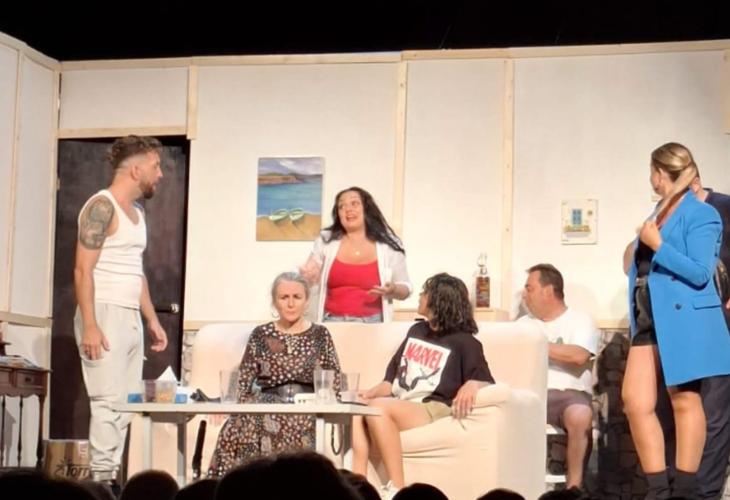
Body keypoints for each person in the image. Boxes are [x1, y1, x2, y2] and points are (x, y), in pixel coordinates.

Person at [621, 142, 730, 499]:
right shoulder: (659, 211)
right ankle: (658, 490)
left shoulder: (702, 214)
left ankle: (684, 489)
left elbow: (700, 272)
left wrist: (658, 244)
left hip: (683, 317)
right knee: (635, 402)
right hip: (648, 314)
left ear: (659, 172)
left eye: (651, 172)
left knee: (684, 398)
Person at [73, 135, 168, 485]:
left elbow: (135, 270)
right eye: (155, 166)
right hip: (103, 311)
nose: (160, 174)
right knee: (107, 402)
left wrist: (151, 318)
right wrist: (90, 324)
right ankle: (101, 482)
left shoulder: (138, 213)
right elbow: (82, 270)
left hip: (129, 314)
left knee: (126, 405)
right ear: (136, 170)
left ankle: (113, 478)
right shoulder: (102, 206)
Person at [351, 273, 495, 498]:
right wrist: (368, 393)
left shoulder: (466, 342)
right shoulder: (416, 331)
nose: (420, 296)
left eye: (425, 293)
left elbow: (486, 380)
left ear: (439, 300)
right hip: (401, 403)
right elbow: (391, 382)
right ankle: (357, 485)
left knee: (378, 408)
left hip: (433, 406)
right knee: (358, 409)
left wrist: (472, 384)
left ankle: (397, 488)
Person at [207, 272, 341, 476]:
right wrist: (228, 406)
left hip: (306, 405)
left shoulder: (320, 334)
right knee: (235, 425)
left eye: (297, 297)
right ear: (275, 302)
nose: (290, 304)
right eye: (284, 297)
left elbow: (334, 377)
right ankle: (230, 485)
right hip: (266, 401)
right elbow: (244, 377)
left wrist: (335, 404)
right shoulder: (261, 334)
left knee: (285, 421)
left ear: (306, 301)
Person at [517, 263, 598, 490]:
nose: (524, 295)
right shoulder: (523, 325)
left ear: (548, 291)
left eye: (529, 288)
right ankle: (517, 485)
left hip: (570, 395)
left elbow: (579, 355)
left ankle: (574, 488)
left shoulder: (580, 320)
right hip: (531, 394)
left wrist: (537, 344)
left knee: (581, 415)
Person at [300, 186, 412, 322]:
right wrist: (308, 277)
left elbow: (406, 288)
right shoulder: (325, 241)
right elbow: (306, 279)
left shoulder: (388, 245)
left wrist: (393, 290)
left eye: (354, 203)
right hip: (331, 320)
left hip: (374, 323)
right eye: (341, 206)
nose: (348, 209)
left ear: (367, 209)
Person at [686, 176, 730, 500]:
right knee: (690, 410)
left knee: (715, 412)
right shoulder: (670, 216)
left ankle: (706, 493)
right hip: (685, 325)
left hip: (721, 322)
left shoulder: (725, 207)